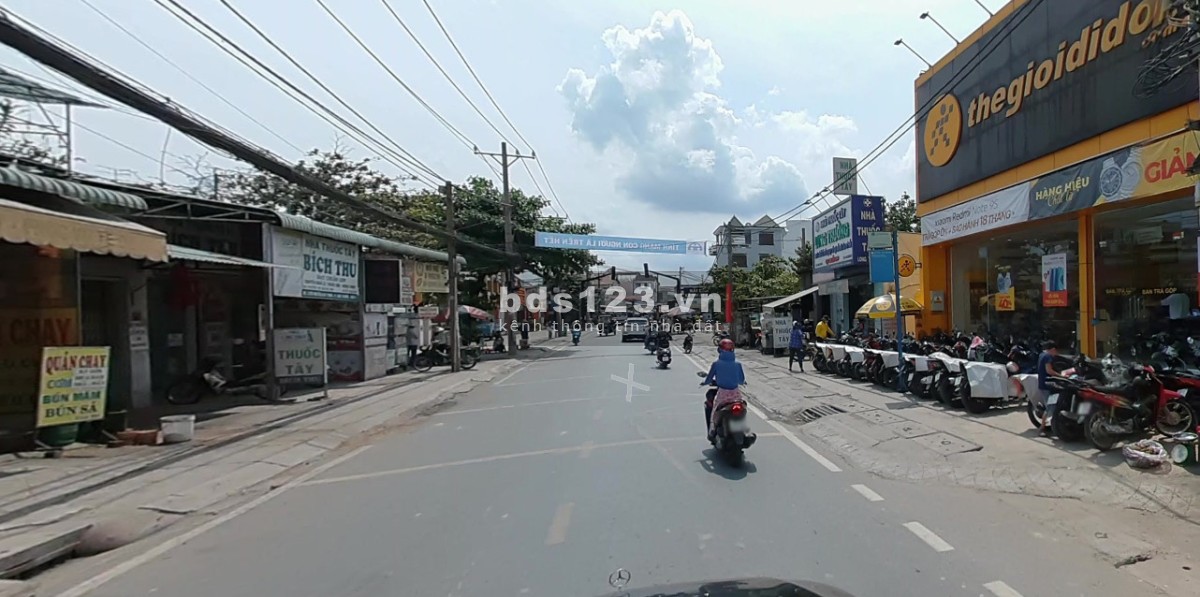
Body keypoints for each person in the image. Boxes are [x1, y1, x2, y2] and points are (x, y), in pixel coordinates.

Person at [701, 339, 746, 440]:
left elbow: (709, 379)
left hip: (722, 393)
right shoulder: (737, 364)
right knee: (743, 407)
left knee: (714, 411)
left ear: (719, 350)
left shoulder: (716, 364)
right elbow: (741, 380)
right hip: (736, 394)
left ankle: (712, 430)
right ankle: (743, 430)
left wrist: (705, 382)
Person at [1037, 340, 1063, 433]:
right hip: (1047, 385)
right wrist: (1061, 376)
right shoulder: (1048, 356)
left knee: (1049, 406)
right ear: (1053, 349)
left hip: (1042, 384)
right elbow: (1049, 371)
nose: (1056, 354)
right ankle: (1042, 428)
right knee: (1050, 407)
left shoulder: (1041, 355)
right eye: (1056, 351)